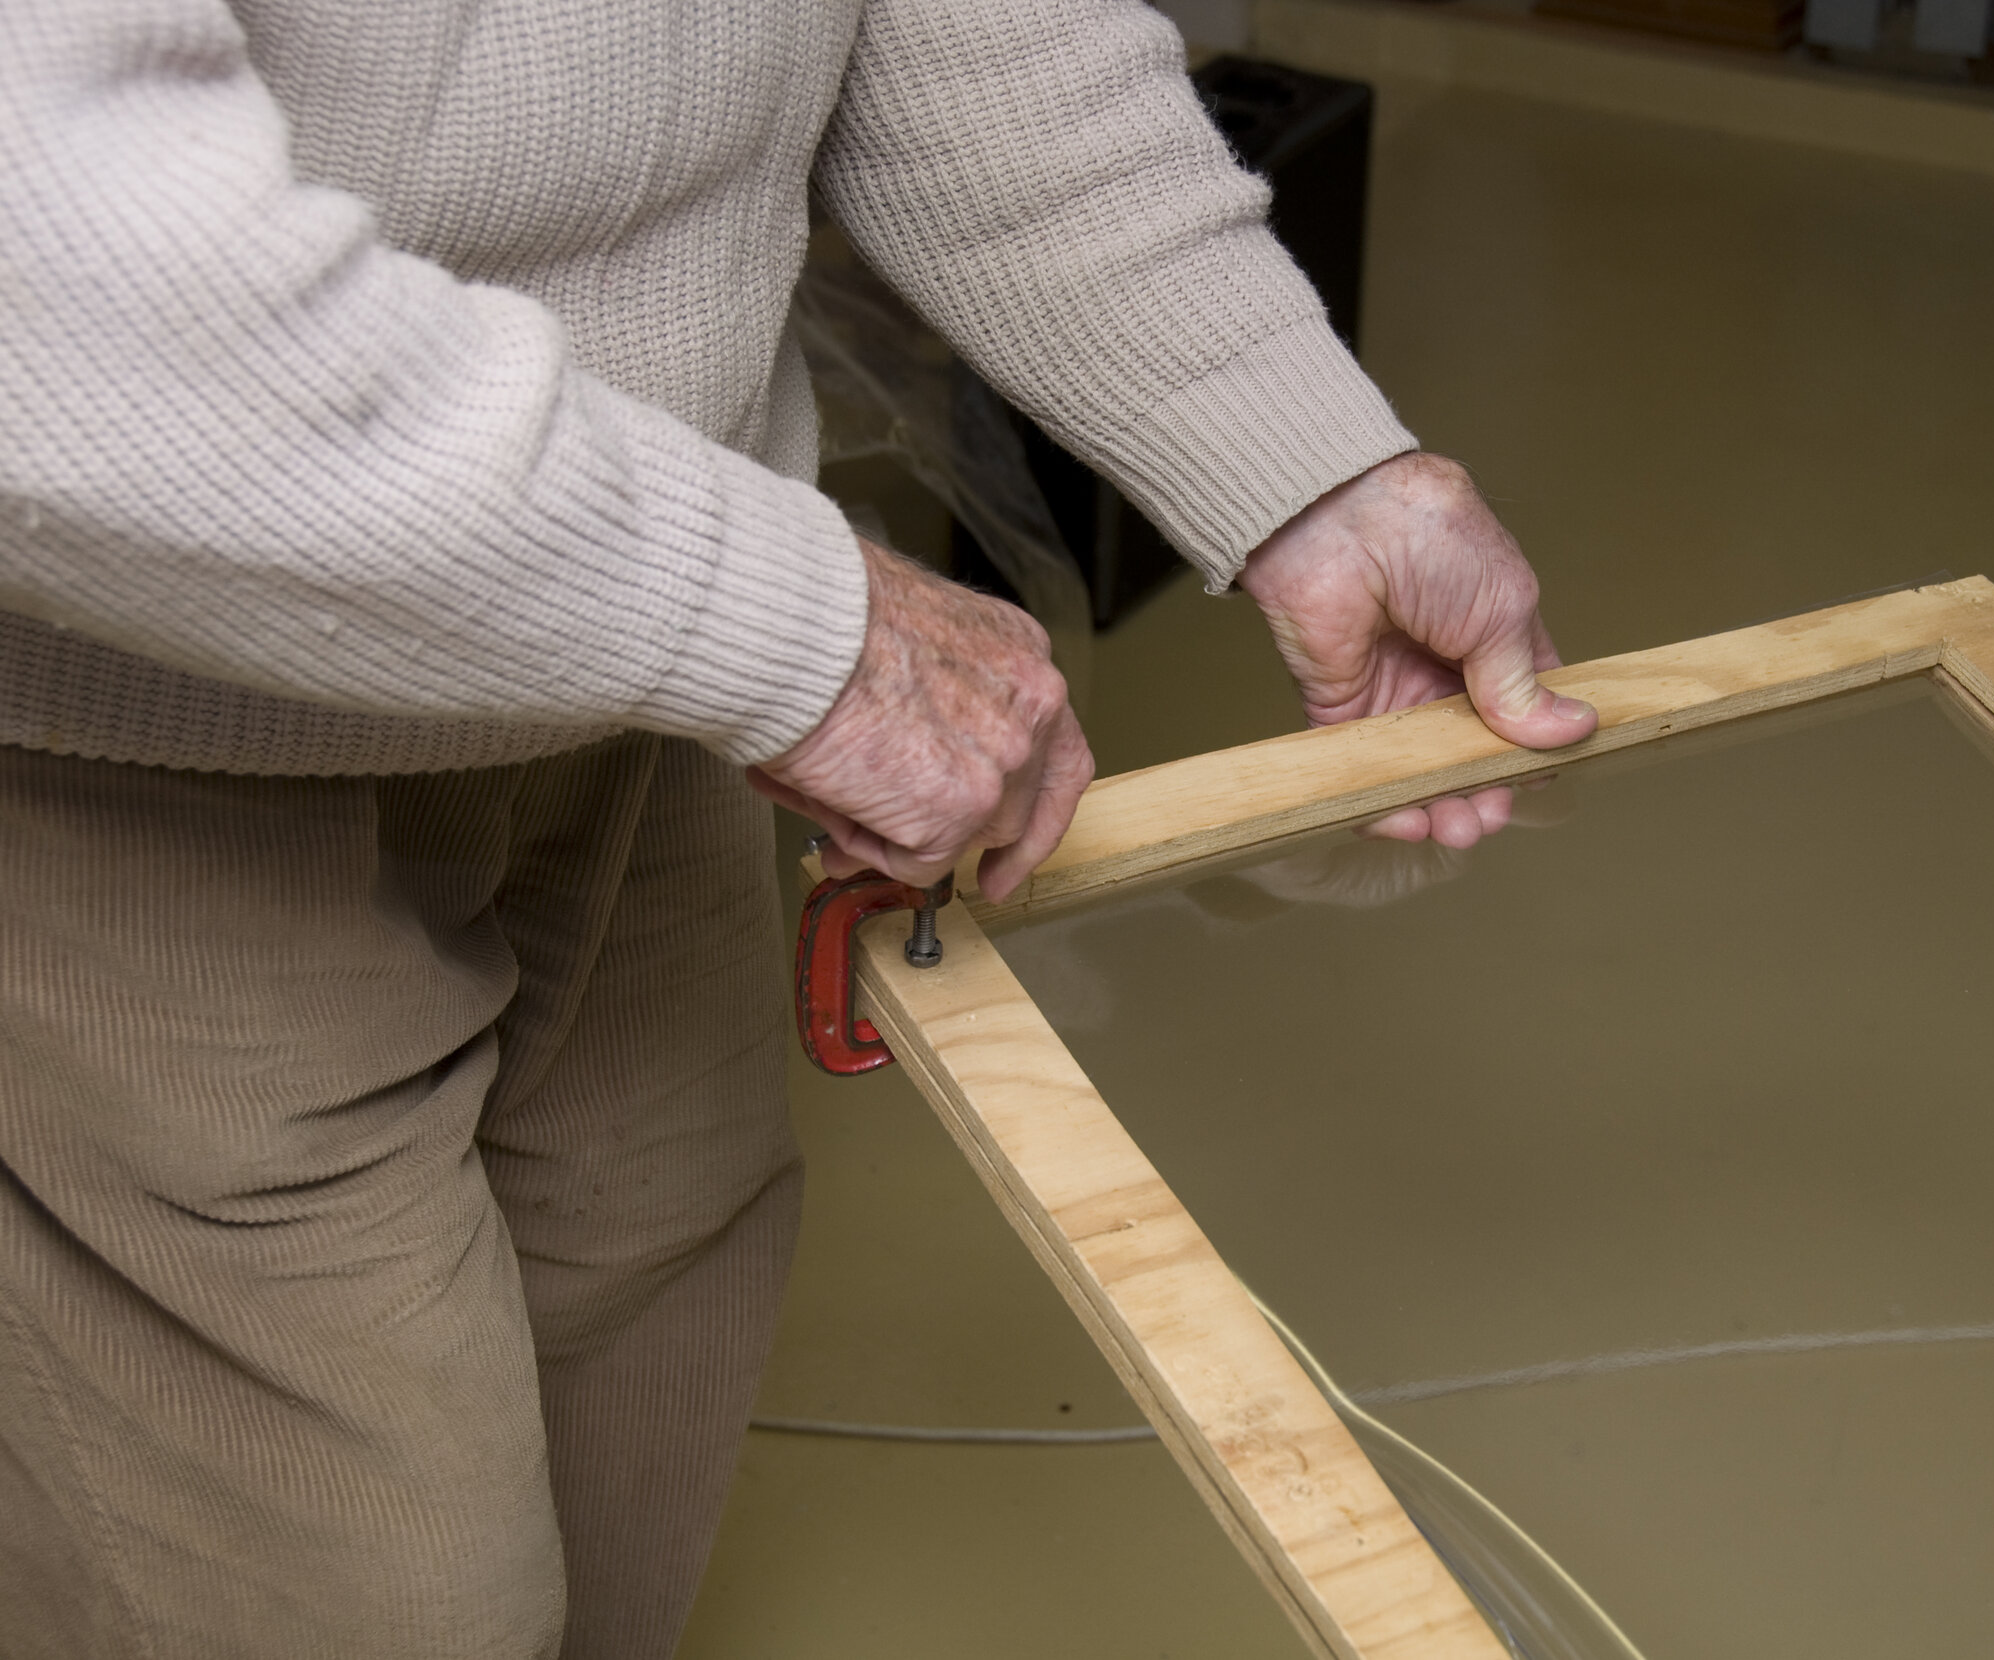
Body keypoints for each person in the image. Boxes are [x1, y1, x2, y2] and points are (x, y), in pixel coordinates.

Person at [0, 1, 1598, 1655]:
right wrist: (798, 631)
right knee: (378, 1591)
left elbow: (963, 26)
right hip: (128, 736)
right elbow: (42, 268)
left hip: (637, 680)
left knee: (637, 1391)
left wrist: (1306, 466)